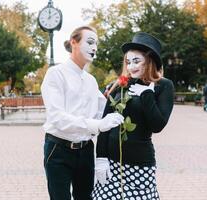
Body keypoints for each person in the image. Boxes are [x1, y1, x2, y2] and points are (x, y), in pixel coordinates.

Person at [41, 26, 124, 200]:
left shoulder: (91, 81)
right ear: (74, 42)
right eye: (90, 42)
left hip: (86, 150)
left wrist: (127, 89)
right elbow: (57, 118)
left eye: (97, 44)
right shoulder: (55, 74)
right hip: (58, 149)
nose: (94, 48)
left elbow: (104, 111)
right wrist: (97, 125)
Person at [92, 32, 174, 200]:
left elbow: (157, 125)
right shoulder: (121, 84)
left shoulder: (163, 86)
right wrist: (100, 157)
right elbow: (105, 123)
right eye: (128, 62)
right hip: (112, 164)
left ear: (150, 61)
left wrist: (147, 95)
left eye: (136, 61)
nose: (130, 67)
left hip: (140, 165)